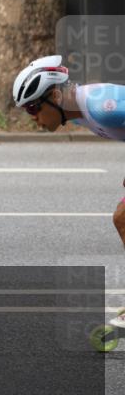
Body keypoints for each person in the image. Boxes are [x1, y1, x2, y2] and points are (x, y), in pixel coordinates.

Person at [12, 55, 125, 249]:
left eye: (32, 108)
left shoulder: (100, 108)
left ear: (56, 96)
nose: (32, 117)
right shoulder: (76, 113)